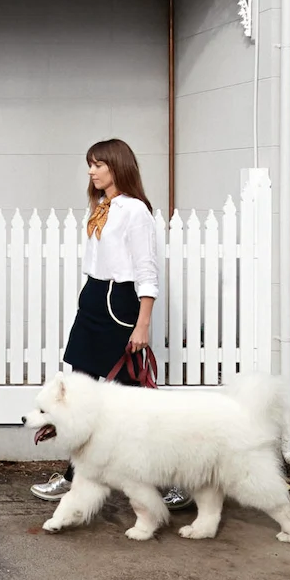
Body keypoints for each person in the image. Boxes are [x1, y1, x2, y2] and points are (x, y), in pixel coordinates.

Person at [31, 139, 189, 510]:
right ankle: (74, 479)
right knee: (77, 395)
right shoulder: (101, 207)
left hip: (119, 303)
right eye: (90, 164)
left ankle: (173, 481)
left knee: (133, 403)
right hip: (93, 298)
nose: (92, 171)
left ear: (118, 167)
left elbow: (146, 271)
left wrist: (142, 324)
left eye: (98, 164)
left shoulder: (135, 211)